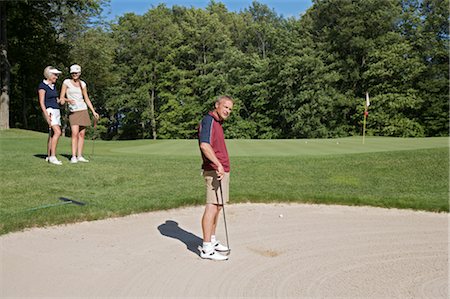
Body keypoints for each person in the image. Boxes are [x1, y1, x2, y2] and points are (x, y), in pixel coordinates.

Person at [198, 95, 234, 261]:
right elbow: (204, 145)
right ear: (217, 105)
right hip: (214, 170)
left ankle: (211, 240)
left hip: (221, 170)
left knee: (218, 206)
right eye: (225, 107)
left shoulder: (218, 123)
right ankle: (206, 248)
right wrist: (218, 164)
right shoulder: (209, 121)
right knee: (212, 206)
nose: (227, 111)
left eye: (230, 109)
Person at [60, 64, 99, 163]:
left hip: (83, 109)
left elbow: (86, 98)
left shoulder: (83, 84)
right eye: (73, 73)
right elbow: (61, 98)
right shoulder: (66, 82)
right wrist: (68, 100)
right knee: (74, 134)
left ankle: (79, 156)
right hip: (73, 111)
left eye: (76, 73)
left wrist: (93, 111)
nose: (74, 74)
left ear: (80, 73)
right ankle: (73, 156)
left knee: (82, 134)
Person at [38, 66, 63, 165]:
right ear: (49, 75)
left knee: (53, 134)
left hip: (56, 110)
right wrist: (46, 115)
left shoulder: (53, 86)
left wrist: (66, 100)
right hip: (49, 110)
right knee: (58, 132)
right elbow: (41, 102)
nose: (56, 77)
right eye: (55, 75)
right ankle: (52, 156)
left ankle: (49, 155)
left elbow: (56, 100)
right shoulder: (42, 86)